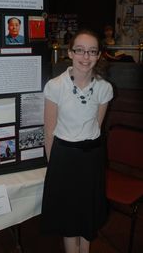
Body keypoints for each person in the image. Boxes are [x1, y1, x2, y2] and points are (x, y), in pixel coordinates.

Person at [41, 29, 113, 253]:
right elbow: (49, 131)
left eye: (92, 51)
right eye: (80, 50)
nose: (85, 57)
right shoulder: (56, 86)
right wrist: (54, 166)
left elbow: (96, 127)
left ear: (99, 55)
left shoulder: (104, 88)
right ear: (70, 53)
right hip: (63, 157)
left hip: (91, 157)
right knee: (69, 217)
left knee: (87, 213)